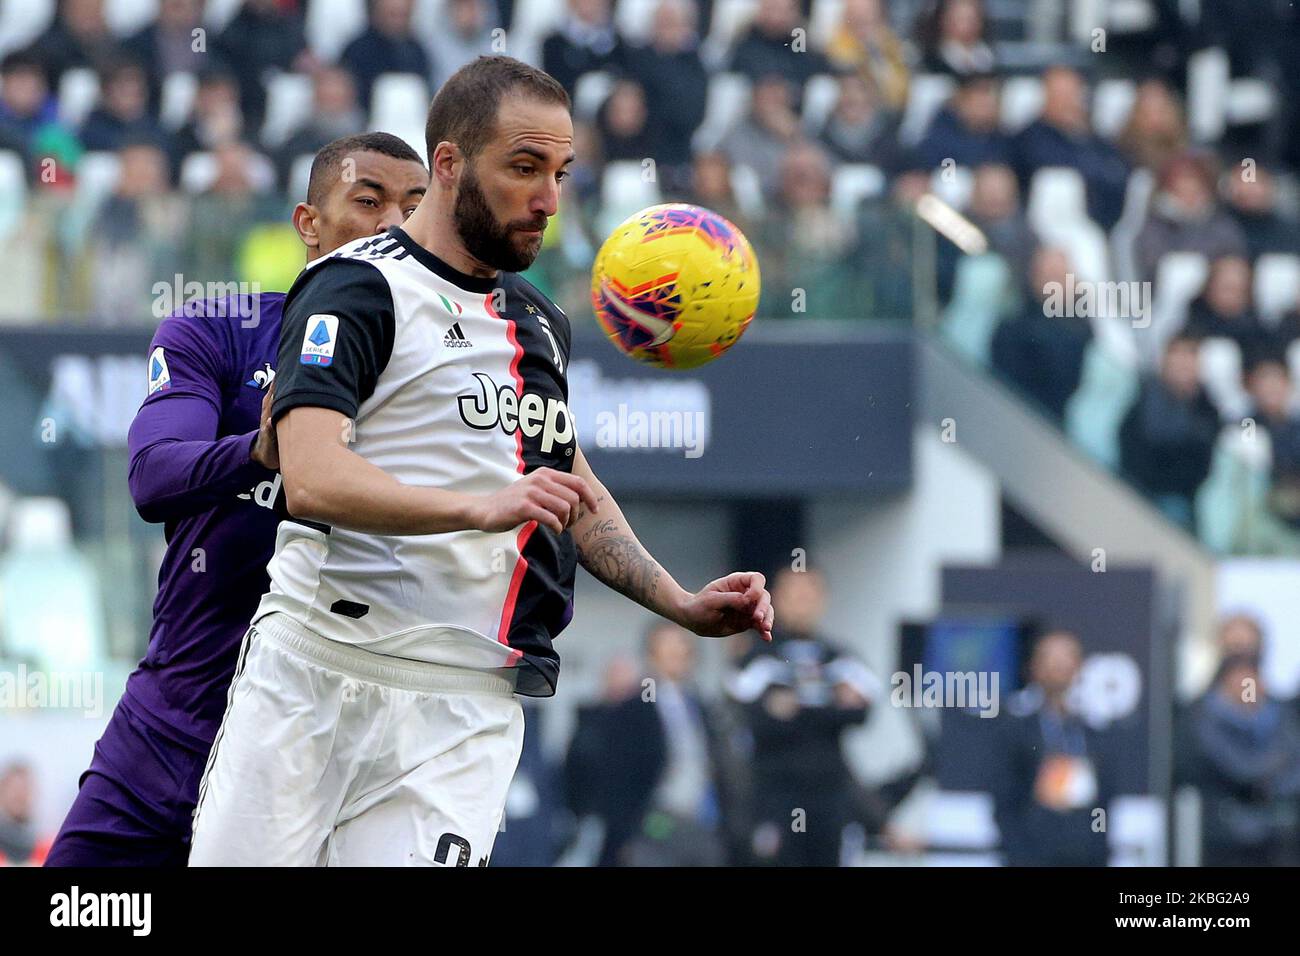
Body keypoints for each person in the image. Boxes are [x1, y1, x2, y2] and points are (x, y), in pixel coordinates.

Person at [187, 56, 774, 868]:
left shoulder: (540, 323)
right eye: (524, 168)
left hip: (466, 705)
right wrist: (478, 505)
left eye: (562, 172)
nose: (548, 198)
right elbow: (312, 474)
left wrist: (677, 600)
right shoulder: (354, 287)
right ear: (450, 165)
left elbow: (571, 482)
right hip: (320, 671)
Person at [43, 133, 430, 867]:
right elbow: (154, 475)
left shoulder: (438, 378)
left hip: (322, 751)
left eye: (413, 209)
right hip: (170, 724)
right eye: (369, 201)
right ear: (308, 222)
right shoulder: (219, 329)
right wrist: (256, 451)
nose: (392, 226)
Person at [728, 567, 875, 866]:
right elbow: (754, 715)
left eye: (809, 595)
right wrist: (829, 700)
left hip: (830, 795)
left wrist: (794, 704)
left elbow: (861, 710)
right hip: (774, 796)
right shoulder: (757, 654)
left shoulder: (839, 655)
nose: (802, 603)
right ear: (776, 599)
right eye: (794, 595)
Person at [994, 629, 1115, 866]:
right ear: (1035, 667)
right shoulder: (1017, 733)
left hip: (1084, 857)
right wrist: (1019, 854)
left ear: (1079, 667)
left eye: (1066, 658)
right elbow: (1005, 803)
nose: (1059, 666)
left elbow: (1102, 804)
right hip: (1033, 856)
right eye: (1050, 658)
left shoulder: (1092, 735)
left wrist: (1097, 846)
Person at [1119, 333, 1223, 529]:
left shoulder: (1208, 408)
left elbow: (1206, 461)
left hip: (1185, 499)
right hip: (1141, 493)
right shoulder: (1142, 398)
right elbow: (1131, 448)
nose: (1183, 362)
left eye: (1190, 355)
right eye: (1177, 354)